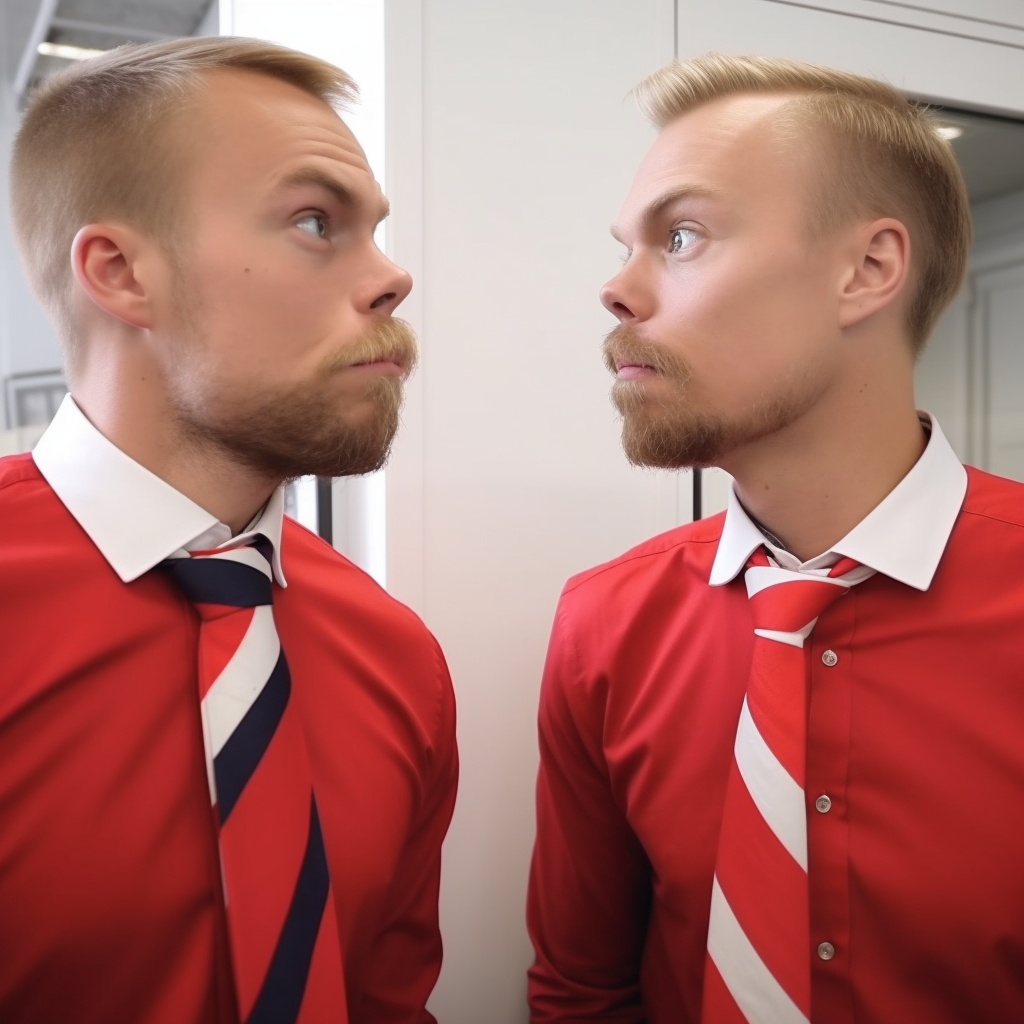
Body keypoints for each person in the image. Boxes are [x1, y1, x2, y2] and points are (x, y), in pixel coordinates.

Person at [527, 53, 1024, 1024]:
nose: (616, 290)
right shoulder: (606, 622)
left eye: (679, 235)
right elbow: (582, 990)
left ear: (867, 270)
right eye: (626, 245)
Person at [0, 37, 457, 1024]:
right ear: (120, 272)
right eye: (313, 221)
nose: (391, 278)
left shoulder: (397, 656)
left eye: (374, 230)